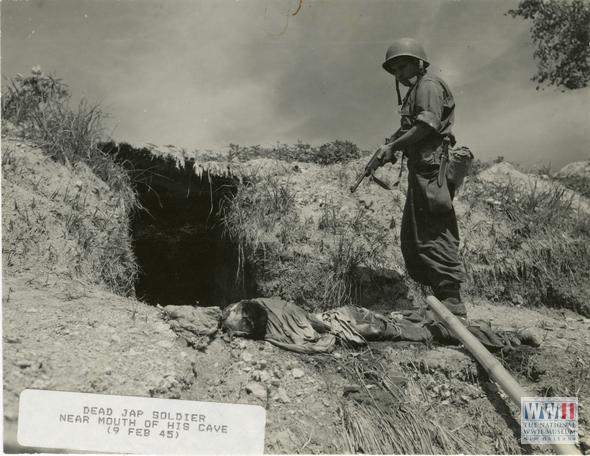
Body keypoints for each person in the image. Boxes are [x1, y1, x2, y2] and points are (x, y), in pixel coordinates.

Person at [376, 38, 467, 317]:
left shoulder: (428, 86)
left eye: (402, 67)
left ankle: (452, 302)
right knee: (417, 235)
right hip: (422, 168)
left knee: (434, 232)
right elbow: (414, 127)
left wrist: (394, 146)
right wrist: (394, 143)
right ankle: (441, 300)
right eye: (394, 71)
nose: (399, 75)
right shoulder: (416, 90)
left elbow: (428, 123)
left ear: (418, 63)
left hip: (430, 167)